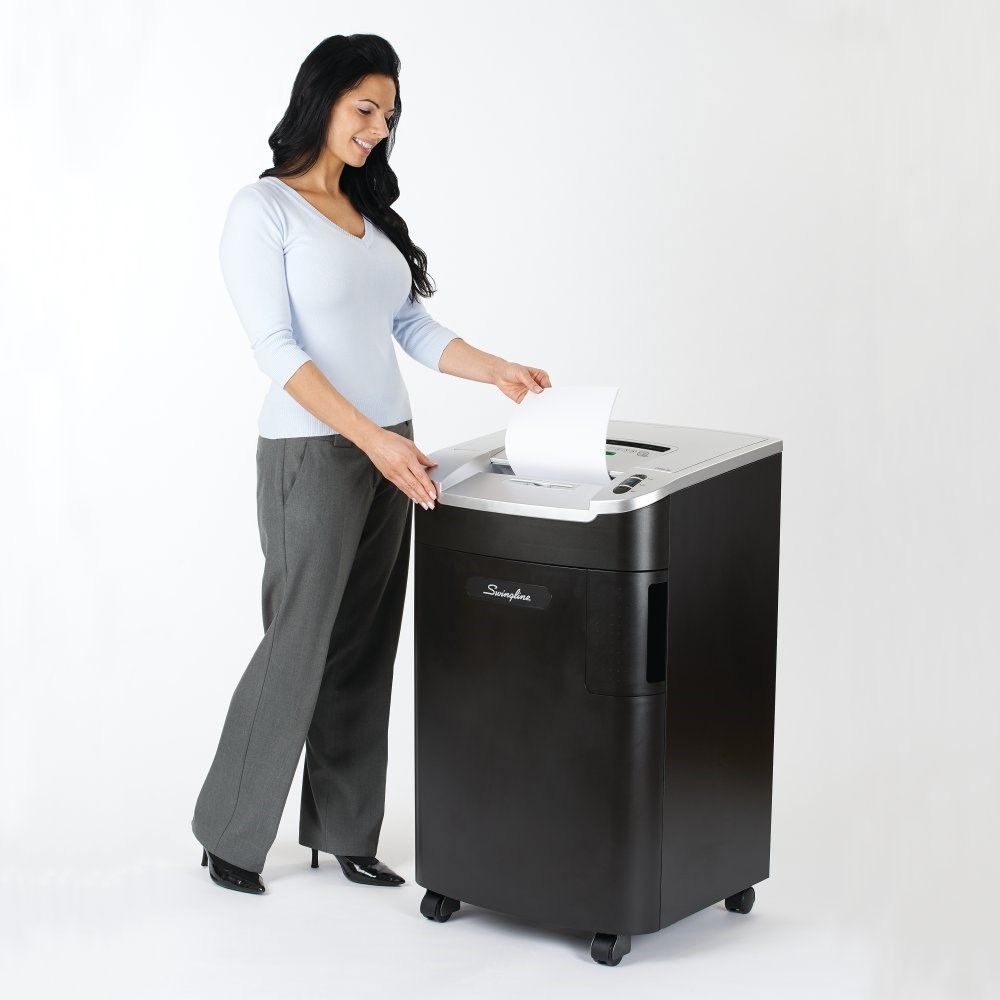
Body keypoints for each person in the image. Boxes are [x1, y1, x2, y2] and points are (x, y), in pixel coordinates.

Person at [192, 33, 552, 895]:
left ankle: (347, 831)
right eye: (365, 109)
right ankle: (230, 833)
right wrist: (370, 438)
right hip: (316, 450)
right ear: (320, 100)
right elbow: (275, 349)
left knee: (365, 643)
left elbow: (410, 326)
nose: (378, 129)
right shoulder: (263, 209)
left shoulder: (368, 214)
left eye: (389, 116)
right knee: (298, 642)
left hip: (393, 449)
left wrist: (495, 368)